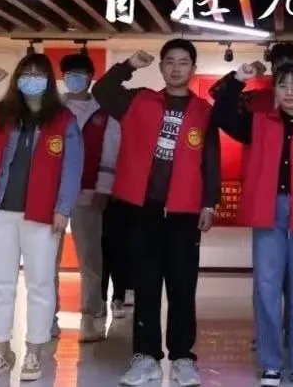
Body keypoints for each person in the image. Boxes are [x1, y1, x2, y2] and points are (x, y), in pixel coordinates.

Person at [91, 40, 220, 387]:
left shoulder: (204, 111)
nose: (176, 68)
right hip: (143, 207)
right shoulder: (139, 100)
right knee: (145, 284)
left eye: (183, 62)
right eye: (170, 62)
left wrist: (209, 202)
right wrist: (129, 65)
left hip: (184, 209)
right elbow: (102, 90)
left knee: (182, 286)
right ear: (161, 66)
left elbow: (210, 159)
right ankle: (145, 357)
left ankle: (182, 358)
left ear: (193, 69)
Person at [0, 55, 82, 382]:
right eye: (26, 73)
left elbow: (72, 168)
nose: (32, 78)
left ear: (49, 80)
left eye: (39, 74)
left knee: (40, 283)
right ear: (17, 78)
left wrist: (63, 208)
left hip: (43, 213)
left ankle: (35, 350)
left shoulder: (63, 120)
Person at [213, 62, 293, 387]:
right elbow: (223, 115)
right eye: (283, 85)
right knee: (266, 289)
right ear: (275, 90)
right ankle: (271, 363)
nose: (289, 92)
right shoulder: (258, 122)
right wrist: (238, 79)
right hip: (268, 211)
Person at [209, 42, 293, 352]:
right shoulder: (256, 101)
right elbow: (218, 100)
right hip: (266, 192)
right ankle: (267, 334)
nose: (285, 69)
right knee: (267, 276)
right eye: (279, 63)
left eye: (291, 63)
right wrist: (242, 76)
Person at [59, 52, 121, 343]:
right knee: (47, 258)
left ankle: (89, 317)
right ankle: (48, 318)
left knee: (90, 258)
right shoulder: (53, 109)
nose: (74, 79)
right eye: (68, 74)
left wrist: (103, 190)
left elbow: (111, 153)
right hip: (52, 194)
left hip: (88, 191)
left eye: (79, 73)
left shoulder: (104, 112)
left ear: (90, 77)